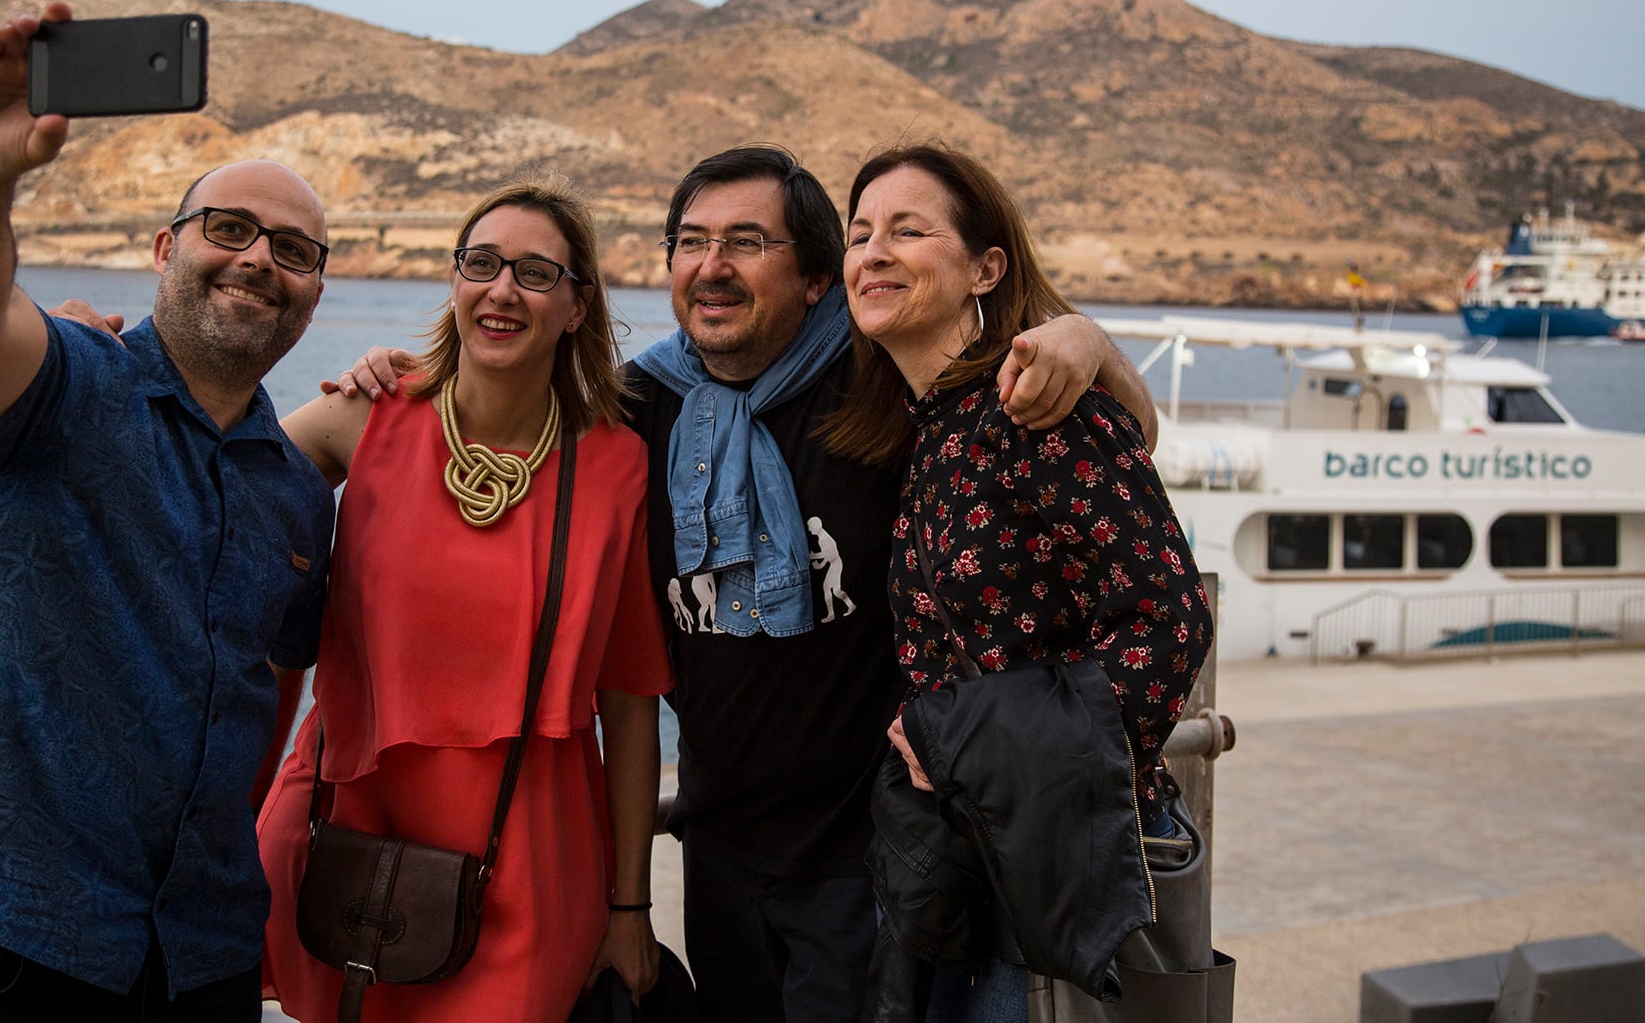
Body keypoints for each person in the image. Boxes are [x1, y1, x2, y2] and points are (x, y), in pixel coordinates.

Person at [336, 145, 1158, 1023]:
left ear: (815, 280)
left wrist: (1085, 338)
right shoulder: (640, 407)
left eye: (746, 241)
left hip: (870, 855)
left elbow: (1124, 433)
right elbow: (509, 407)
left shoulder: (881, 383)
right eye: (690, 242)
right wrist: (401, 382)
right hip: (717, 844)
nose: (712, 267)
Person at [0, 3, 337, 1019]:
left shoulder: (296, 492)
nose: (261, 257)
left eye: (295, 249)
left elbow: (280, 694)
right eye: (230, 229)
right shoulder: (63, 385)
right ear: (167, 247)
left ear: (314, 292)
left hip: (202, 956)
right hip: (8, 939)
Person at [253, 175, 673, 1022]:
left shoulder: (617, 465)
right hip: (346, 823)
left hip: (529, 856)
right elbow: (201, 479)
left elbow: (630, 705)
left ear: (577, 306)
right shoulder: (367, 417)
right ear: (454, 281)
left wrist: (631, 907)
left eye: (535, 272)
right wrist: (103, 356)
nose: (502, 289)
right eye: (480, 263)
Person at [826, 144, 1212, 1020]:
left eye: (909, 230)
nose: (874, 252)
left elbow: (1171, 622)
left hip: (1069, 865)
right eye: (860, 235)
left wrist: (958, 737)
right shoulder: (931, 426)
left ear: (985, 269)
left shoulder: (1037, 407)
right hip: (978, 860)